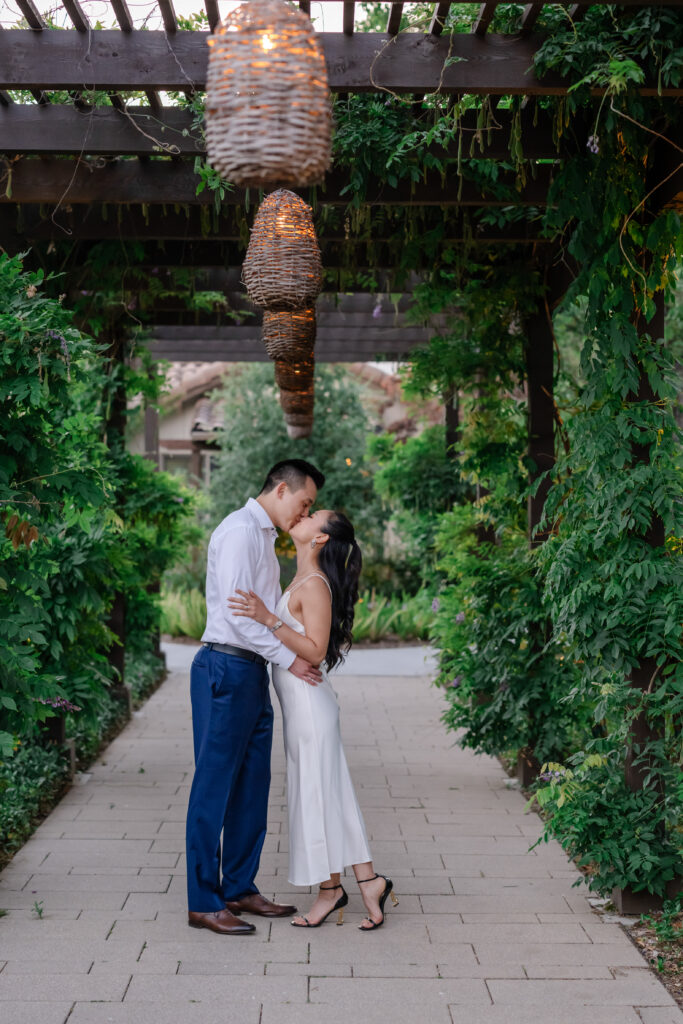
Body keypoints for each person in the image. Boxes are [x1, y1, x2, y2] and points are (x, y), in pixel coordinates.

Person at [228, 509, 399, 931]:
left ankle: (334, 890)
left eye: (312, 516)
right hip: (301, 703)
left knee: (317, 794)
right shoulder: (302, 579)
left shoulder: (316, 585)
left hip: (310, 704)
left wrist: (269, 619)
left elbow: (316, 650)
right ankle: (364, 882)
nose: (302, 516)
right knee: (325, 793)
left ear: (320, 539)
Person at [186, 459, 325, 936]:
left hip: (251, 671)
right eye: (304, 502)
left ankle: (239, 887)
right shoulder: (241, 532)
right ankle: (204, 902)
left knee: (252, 786)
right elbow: (240, 616)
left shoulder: (263, 537)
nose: (304, 513)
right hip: (224, 666)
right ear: (282, 489)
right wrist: (291, 659)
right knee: (214, 788)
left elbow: (262, 615)